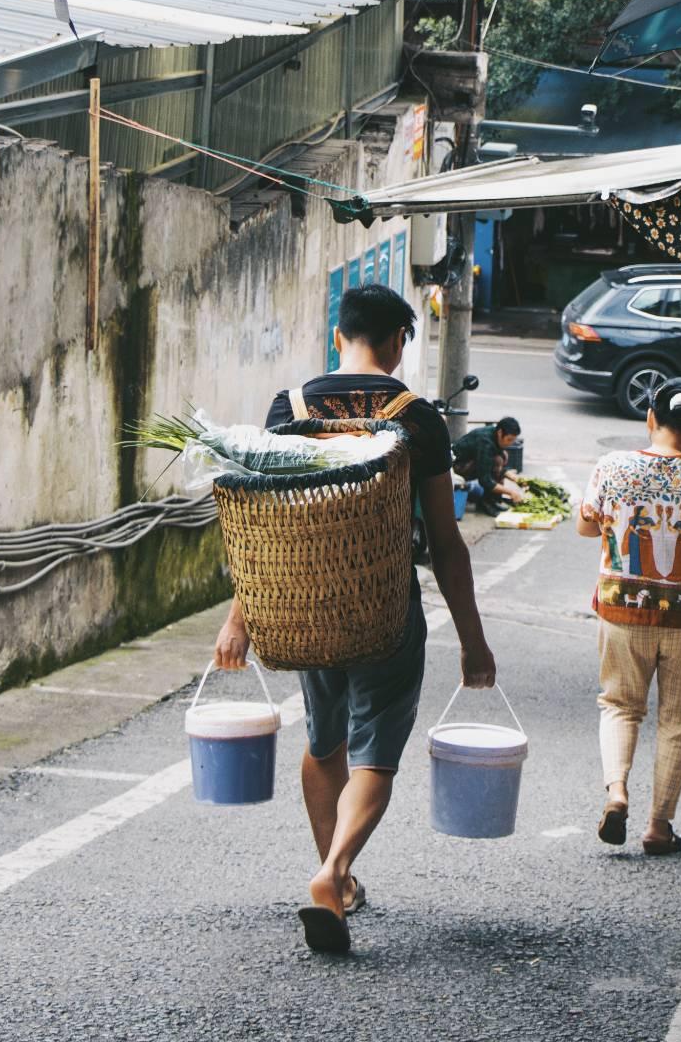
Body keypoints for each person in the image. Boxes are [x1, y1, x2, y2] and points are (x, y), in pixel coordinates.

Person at [213, 283, 496, 953]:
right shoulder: (417, 416)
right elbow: (447, 543)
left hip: (306, 606)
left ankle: (337, 888)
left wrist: (242, 619)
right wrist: (473, 642)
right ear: (399, 342)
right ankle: (333, 869)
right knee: (376, 755)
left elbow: (265, 527)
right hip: (385, 610)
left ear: (339, 337)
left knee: (324, 741)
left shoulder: (293, 405)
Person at [577, 377, 681, 856]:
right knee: (680, 719)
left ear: (651, 419)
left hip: (622, 610)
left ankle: (616, 792)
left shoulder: (612, 467)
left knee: (620, 704)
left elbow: (587, 527)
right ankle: (658, 826)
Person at [453, 416, 526, 513]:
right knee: (497, 460)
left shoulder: (494, 433)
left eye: (513, 440)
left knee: (503, 456)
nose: (510, 443)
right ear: (500, 433)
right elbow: (485, 479)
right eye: (509, 439)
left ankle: (494, 500)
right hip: (457, 467)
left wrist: (516, 479)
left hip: (472, 461)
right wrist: (511, 493)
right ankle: (485, 502)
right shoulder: (485, 442)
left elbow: (498, 468)